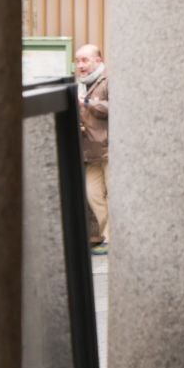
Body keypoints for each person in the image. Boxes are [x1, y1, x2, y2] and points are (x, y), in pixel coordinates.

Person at [74, 44, 110, 251]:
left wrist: (89, 103)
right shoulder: (80, 84)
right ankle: (107, 235)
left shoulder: (108, 80)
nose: (80, 65)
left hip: (108, 149)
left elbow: (115, 106)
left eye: (85, 60)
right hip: (89, 152)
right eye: (78, 61)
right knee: (93, 195)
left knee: (113, 195)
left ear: (98, 61)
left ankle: (109, 239)